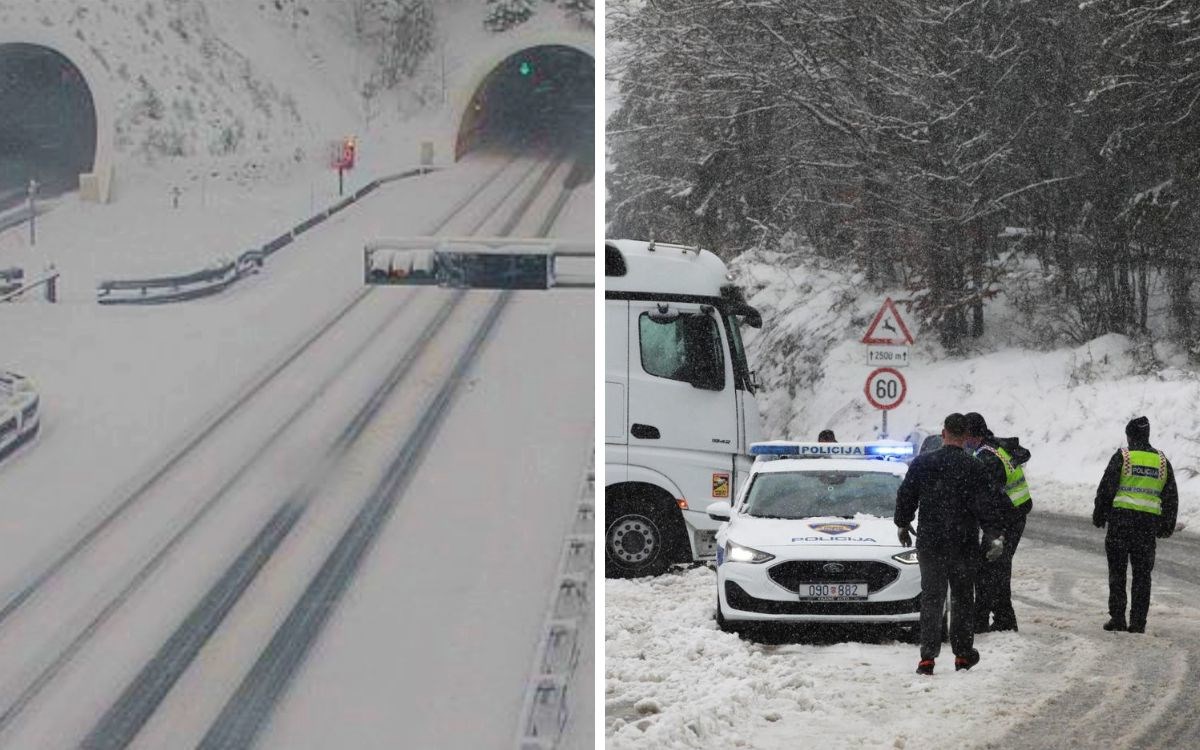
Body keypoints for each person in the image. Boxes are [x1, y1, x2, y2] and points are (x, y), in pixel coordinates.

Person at [894, 413, 1008, 675]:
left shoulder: (923, 463)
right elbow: (987, 505)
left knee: (932, 599)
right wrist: (994, 535)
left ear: (943, 433)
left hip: (931, 542)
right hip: (963, 543)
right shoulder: (974, 466)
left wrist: (902, 523)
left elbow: (906, 496)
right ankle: (963, 655)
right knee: (962, 599)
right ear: (966, 436)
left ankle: (927, 658)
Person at [1093, 416, 1178, 634]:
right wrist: (1167, 524)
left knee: (1117, 572)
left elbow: (1107, 487)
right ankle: (1138, 622)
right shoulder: (1162, 461)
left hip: (1120, 523)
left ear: (1130, 435)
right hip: (1146, 527)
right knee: (1142, 576)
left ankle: (1118, 618)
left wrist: (1100, 513)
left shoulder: (1123, 456)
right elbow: (1171, 496)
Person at [963, 413, 1033, 632]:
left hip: (1006, 518)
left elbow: (988, 498)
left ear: (972, 434)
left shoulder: (987, 458)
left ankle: (995, 620)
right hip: (1014, 514)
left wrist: (993, 531)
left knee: (990, 569)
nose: (964, 440)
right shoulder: (994, 447)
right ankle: (996, 619)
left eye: (965, 435)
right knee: (995, 568)